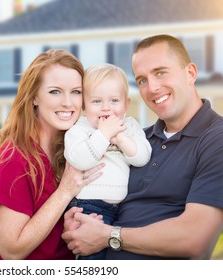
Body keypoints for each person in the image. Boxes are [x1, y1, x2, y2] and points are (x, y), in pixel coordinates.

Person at [62, 34, 223, 259]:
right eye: (142, 80)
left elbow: (195, 240)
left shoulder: (222, 140)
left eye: (161, 72)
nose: (152, 87)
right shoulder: (137, 139)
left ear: (190, 73)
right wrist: (78, 222)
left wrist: (108, 235)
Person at [0, 49, 104, 260]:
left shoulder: (74, 151)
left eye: (76, 91)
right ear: (34, 96)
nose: (68, 102)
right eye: (55, 91)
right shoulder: (12, 160)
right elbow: (11, 250)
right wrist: (64, 192)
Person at [64, 63, 151, 259]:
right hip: (89, 207)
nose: (106, 107)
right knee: (94, 259)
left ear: (126, 104)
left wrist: (120, 138)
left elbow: (142, 158)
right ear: (84, 106)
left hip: (123, 209)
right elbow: (79, 160)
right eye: (96, 101)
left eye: (114, 100)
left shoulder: (129, 127)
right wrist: (103, 134)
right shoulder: (79, 129)